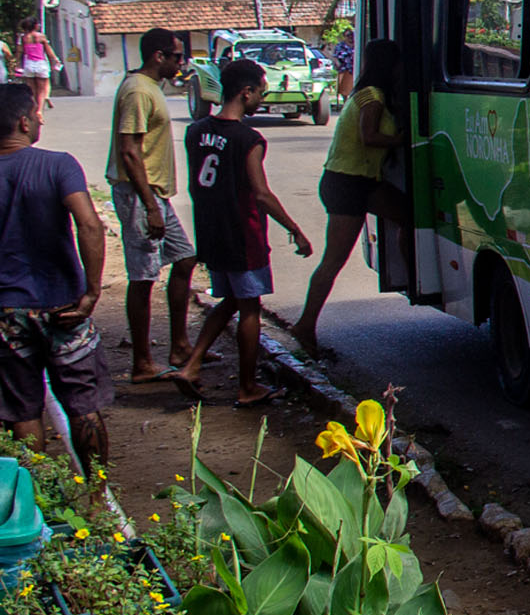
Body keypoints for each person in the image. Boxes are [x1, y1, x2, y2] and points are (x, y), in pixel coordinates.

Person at [168, 60, 312, 404]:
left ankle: (192, 364)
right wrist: (294, 229)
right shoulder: (249, 139)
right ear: (246, 92)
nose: (261, 98)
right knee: (249, 307)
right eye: (260, 91)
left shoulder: (195, 131)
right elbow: (261, 194)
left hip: (210, 230)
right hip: (242, 232)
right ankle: (247, 386)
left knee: (231, 299)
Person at [0, 83, 110, 468]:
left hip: (7, 309)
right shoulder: (58, 164)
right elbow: (90, 225)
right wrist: (91, 291)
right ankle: (97, 497)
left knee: (22, 408)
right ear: (24, 121)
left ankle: (40, 497)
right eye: (37, 112)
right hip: (63, 303)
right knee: (82, 403)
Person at [291, 39, 406, 356]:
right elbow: (368, 136)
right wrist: (398, 140)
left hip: (360, 181)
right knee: (333, 261)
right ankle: (304, 326)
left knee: (410, 217)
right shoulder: (373, 97)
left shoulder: (367, 93)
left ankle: (413, 277)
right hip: (348, 183)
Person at [106, 27, 197, 382]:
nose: (181, 63)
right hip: (138, 194)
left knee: (185, 258)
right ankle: (142, 362)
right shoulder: (137, 91)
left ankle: (179, 345)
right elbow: (129, 150)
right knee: (143, 276)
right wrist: (150, 205)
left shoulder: (149, 89)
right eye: (176, 57)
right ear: (158, 56)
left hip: (153, 194)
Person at [16, 17, 59, 112]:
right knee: (41, 90)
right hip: (41, 64)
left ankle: (33, 107)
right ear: (35, 26)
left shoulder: (23, 37)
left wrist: (17, 63)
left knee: (32, 89)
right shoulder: (41, 36)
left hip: (29, 64)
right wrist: (55, 59)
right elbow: (48, 50)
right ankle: (39, 110)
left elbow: (20, 51)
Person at [333, 26, 355, 100]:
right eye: (348, 35)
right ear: (344, 36)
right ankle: (345, 103)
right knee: (344, 90)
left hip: (354, 69)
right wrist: (338, 64)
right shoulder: (340, 46)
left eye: (351, 35)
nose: (350, 37)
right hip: (344, 69)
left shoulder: (357, 44)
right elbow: (335, 56)